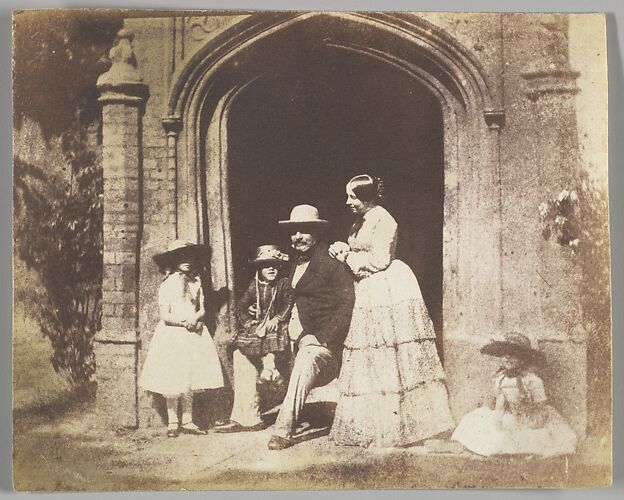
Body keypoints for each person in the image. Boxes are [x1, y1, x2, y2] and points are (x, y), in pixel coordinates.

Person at [328, 174, 454, 447]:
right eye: (348, 196)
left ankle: (403, 425)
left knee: (390, 351)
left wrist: (347, 256)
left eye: (353, 196)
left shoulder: (384, 220)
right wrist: (343, 247)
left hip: (387, 287)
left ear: (368, 197)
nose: (348, 202)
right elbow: (359, 247)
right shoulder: (360, 220)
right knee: (371, 355)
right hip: (368, 288)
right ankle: (371, 424)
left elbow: (380, 259)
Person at [266, 204, 355, 450]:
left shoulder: (332, 264)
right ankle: (245, 416)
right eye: (294, 231)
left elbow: (347, 305)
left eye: (304, 231)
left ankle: (283, 430)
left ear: (317, 233)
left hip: (321, 346)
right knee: (243, 353)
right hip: (288, 338)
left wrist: (321, 338)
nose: (298, 237)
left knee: (307, 358)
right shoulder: (291, 263)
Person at [138, 240, 224, 438]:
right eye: (181, 257)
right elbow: (164, 315)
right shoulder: (167, 284)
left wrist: (197, 318)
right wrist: (183, 322)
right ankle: (173, 421)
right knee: (173, 376)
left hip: (194, 332)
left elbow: (201, 307)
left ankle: (188, 419)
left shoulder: (196, 281)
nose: (187, 261)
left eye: (190, 257)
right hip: (173, 333)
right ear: (174, 260)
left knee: (190, 375)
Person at [451, 333, 577, 457]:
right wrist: (498, 419)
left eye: (513, 355)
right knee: (493, 432)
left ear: (523, 359)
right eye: (505, 354)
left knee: (533, 438)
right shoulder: (500, 378)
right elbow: (499, 403)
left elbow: (540, 407)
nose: (507, 358)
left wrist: (531, 421)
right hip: (509, 416)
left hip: (530, 417)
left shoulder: (532, 380)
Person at [233, 245, 293, 384]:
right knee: (250, 338)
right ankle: (271, 370)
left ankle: (269, 368)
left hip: (277, 323)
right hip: (260, 322)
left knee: (273, 333)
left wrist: (277, 319)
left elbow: (288, 303)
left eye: (274, 265)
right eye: (266, 266)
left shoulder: (282, 284)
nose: (271, 269)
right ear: (259, 269)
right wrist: (249, 321)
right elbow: (241, 306)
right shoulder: (254, 285)